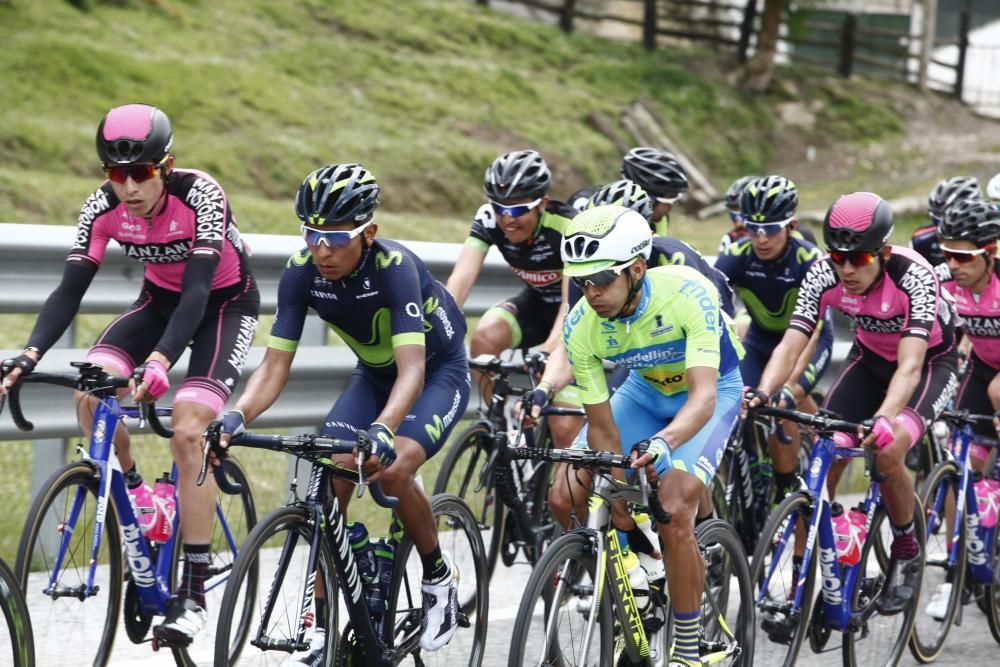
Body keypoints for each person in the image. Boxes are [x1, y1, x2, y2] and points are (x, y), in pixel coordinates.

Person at [0, 103, 260, 644]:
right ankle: (140, 495)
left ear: (166, 166)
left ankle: (192, 588)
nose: (130, 186)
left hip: (222, 305)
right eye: (117, 174)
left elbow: (198, 292)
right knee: (91, 386)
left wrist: (162, 359)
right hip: (159, 303)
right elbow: (69, 290)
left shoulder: (201, 195)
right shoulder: (101, 208)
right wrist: (27, 354)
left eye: (140, 172)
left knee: (189, 428)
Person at [211, 162, 470, 662]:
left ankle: (438, 578)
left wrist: (382, 429)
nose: (322, 249)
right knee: (331, 478)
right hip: (373, 376)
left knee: (392, 470)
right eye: (312, 234)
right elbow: (273, 366)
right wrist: (236, 415)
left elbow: (412, 370)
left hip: (436, 372)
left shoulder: (395, 270)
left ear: (368, 232)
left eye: (337, 237)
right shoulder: (301, 273)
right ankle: (324, 624)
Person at [746, 191, 958, 618]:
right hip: (869, 361)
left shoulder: (913, 276)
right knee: (825, 452)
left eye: (858, 260)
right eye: (838, 257)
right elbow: (791, 344)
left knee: (888, 450)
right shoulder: (823, 273)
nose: (846, 269)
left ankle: (906, 547)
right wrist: (763, 392)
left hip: (929, 365)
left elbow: (912, 364)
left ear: (881, 252)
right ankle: (813, 573)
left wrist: (884, 417)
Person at [554, 204, 743, 667]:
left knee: (674, 506)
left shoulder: (687, 293)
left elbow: (702, 398)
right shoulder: (582, 325)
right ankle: (636, 580)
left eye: (602, 279)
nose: (592, 292)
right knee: (565, 493)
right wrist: (616, 498)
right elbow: (601, 427)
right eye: (583, 281)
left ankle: (686, 643)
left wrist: (665, 443)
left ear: (637, 269)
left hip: (711, 393)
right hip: (644, 392)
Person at [445, 149, 581, 447]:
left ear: (542, 204)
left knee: (564, 428)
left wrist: (548, 349)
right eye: (499, 208)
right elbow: (460, 279)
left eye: (518, 210)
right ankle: (501, 424)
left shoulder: (568, 226)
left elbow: (570, 303)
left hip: (571, 315)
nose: (507, 219)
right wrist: (440, 329)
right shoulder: (489, 219)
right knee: (484, 338)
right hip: (534, 307)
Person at [715, 175, 834, 504]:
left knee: (782, 403)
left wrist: (788, 384)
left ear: (792, 226)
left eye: (771, 230)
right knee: (733, 399)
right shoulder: (738, 256)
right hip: (760, 340)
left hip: (810, 341)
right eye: (753, 229)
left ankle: (785, 488)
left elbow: (809, 335)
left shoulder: (809, 261)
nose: (761, 238)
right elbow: (709, 305)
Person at [923, 198, 1000, 619]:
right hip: (983, 368)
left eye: (962, 256)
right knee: (960, 464)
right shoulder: (942, 281)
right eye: (945, 252)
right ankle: (958, 572)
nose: (951, 264)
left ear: (989, 253)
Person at [911, 176, 981, 267]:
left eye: (951, 217)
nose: (942, 225)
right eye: (936, 217)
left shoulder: (988, 237)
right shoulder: (920, 240)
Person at [621, 147, 688, 237]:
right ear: (649, 199)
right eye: (671, 200)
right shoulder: (602, 217)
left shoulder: (659, 221)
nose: (670, 208)